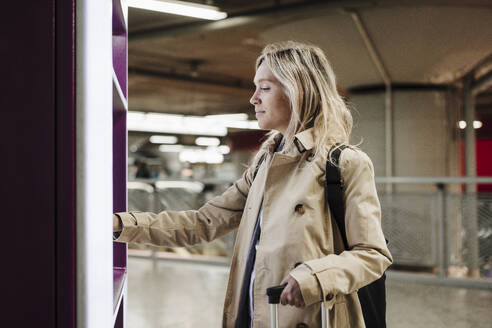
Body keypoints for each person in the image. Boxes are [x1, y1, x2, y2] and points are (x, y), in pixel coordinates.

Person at [113, 41, 392, 327]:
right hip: (253, 315)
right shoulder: (263, 165)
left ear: (298, 91)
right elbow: (202, 222)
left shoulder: (345, 164)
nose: (253, 99)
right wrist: (121, 225)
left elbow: (373, 254)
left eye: (265, 88)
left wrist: (315, 276)